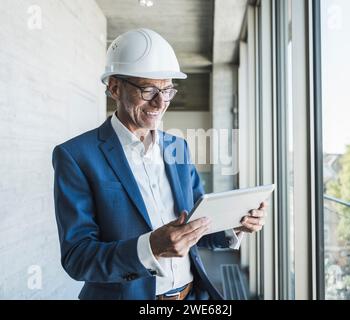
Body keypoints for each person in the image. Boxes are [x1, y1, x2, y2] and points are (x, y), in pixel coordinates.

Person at [52, 28, 267, 300]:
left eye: (167, 90)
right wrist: (149, 248)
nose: (160, 102)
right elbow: (77, 257)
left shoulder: (178, 147)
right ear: (115, 88)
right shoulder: (76, 156)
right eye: (148, 89)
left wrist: (235, 224)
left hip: (191, 296)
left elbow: (197, 223)